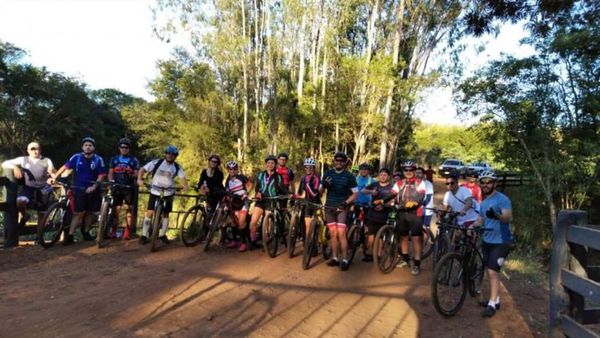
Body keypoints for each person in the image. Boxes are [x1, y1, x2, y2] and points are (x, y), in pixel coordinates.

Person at [52, 136, 107, 245]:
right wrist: (55, 177)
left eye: (90, 145)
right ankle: (70, 236)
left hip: (93, 189)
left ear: (93, 148)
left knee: (91, 213)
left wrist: (94, 187)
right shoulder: (76, 157)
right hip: (79, 189)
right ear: (82, 147)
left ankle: (85, 232)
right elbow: (65, 167)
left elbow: (101, 175)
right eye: (85, 145)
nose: (87, 147)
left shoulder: (98, 159)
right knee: (77, 213)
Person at [474, 170, 513, 318]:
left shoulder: (502, 199)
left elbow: (508, 218)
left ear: (494, 183)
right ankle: (495, 299)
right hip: (487, 240)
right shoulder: (483, 203)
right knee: (489, 269)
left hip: (502, 241)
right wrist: (473, 226)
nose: (485, 185)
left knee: (492, 271)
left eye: (488, 182)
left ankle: (491, 304)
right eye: (482, 182)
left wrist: (496, 215)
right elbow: (481, 219)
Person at [137, 145, 189, 245]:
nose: (170, 156)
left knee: (166, 214)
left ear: (175, 156)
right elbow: (142, 169)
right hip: (155, 191)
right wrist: (139, 179)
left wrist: (185, 186)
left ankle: (162, 234)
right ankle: (144, 235)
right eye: (168, 153)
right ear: (165, 154)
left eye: (172, 154)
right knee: (149, 212)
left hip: (168, 193)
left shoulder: (177, 167)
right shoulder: (157, 162)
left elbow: (183, 179)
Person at [2, 142, 55, 229]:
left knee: (42, 213)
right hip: (29, 187)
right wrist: (15, 167)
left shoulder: (47, 160)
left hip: (44, 187)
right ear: (28, 151)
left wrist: (52, 176)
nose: (34, 151)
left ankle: (39, 238)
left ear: (40, 150)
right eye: (32, 149)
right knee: (19, 201)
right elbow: (4, 163)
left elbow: (52, 173)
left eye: (36, 149)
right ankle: (25, 215)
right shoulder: (23, 159)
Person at [320, 152, 358, 271]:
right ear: (334, 161)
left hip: (342, 208)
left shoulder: (349, 176)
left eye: (341, 161)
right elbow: (320, 192)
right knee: (333, 234)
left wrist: (346, 203)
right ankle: (335, 257)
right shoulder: (328, 173)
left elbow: (356, 194)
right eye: (337, 160)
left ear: (345, 162)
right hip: (329, 207)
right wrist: (323, 186)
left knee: (341, 233)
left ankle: (345, 259)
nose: (339, 162)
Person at [387, 160, 426, 275]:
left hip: (415, 214)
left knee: (415, 239)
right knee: (403, 237)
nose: (408, 172)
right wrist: (383, 200)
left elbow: (421, 196)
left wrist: (415, 203)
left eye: (411, 170)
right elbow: (392, 194)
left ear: (414, 171)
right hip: (402, 213)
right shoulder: (399, 183)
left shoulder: (420, 182)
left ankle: (417, 264)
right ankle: (405, 260)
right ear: (403, 171)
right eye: (406, 170)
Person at [248, 155, 286, 249]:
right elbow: (257, 187)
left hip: (271, 201)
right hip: (261, 201)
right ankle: (253, 241)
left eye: (272, 163)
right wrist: (258, 193)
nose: (270, 165)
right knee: (253, 222)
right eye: (268, 163)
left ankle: (267, 241)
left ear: (275, 165)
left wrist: (287, 194)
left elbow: (282, 188)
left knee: (267, 224)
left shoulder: (278, 177)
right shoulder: (260, 175)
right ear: (266, 164)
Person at [107, 137, 140, 240]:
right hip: (117, 186)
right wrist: (111, 182)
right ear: (119, 148)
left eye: (126, 147)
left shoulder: (134, 160)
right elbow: (111, 172)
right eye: (122, 147)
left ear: (129, 149)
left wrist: (131, 174)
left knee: (129, 209)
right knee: (115, 210)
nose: (124, 149)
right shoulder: (114, 159)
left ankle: (128, 231)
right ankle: (114, 231)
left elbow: (137, 174)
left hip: (129, 187)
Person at [361, 168, 394, 262]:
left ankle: (378, 256)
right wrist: (371, 192)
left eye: (385, 175)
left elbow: (394, 199)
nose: (382, 177)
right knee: (370, 235)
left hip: (384, 214)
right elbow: (363, 190)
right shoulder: (374, 184)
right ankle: (370, 254)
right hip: (372, 213)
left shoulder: (392, 187)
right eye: (381, 175)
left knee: (380, 236)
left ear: (388, 176)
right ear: (378, 176)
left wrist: (384, 205)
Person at [224, 160, 252, 252]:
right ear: (228, 170)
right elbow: (227, 191)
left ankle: (244, 242)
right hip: (234, 202)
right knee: (233, 221)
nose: (232, 171)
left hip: (243, 201)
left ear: (237, 169)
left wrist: (246, 193)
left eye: (234, 169)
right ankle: (235, 240)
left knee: (241, 221)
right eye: (230, 169)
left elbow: (250, 185)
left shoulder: (241, 177)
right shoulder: (227, 180)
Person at [295, 157, 322, 239]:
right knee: (307, 225)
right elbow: (299, 191)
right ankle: (308, 242)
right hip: (307, 203)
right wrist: (297, 196)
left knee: (318, 224)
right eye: (306, 167)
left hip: (316, 203)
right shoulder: (303, 178)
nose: (308, 169)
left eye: (310, 167)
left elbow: (314, 194)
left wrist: (308, 185)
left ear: (313, 168)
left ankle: (318, 240)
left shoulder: (316, 179)